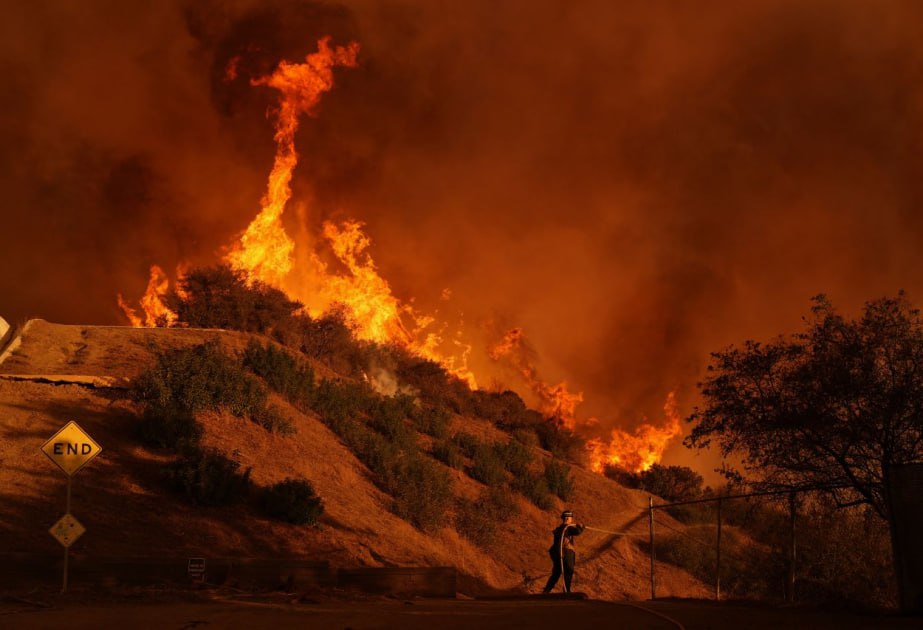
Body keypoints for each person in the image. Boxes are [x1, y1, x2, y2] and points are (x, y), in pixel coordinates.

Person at [542, 509, 585, 594]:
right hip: (566, 552)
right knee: (569, 571)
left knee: (556, 573)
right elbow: (578, 532)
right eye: (570, 518)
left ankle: (547, 590)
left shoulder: (559, 529)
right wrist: (581, 526)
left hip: (557, 553)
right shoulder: (567, 527)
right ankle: (567, 591)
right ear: (569, 518)